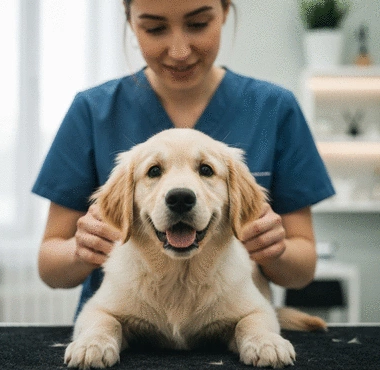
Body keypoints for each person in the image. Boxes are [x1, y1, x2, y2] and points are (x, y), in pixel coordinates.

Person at [32, 0, 335, 317]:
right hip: (125, 334)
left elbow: (302, 270)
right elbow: (50, 266)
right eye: (155, 28)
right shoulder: (92, 111)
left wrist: (277, 251)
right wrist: (80, 251)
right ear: (130, 21)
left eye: (198, 24)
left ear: (225, 13)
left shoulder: (274, 109)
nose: (179, 51)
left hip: (225, 331)